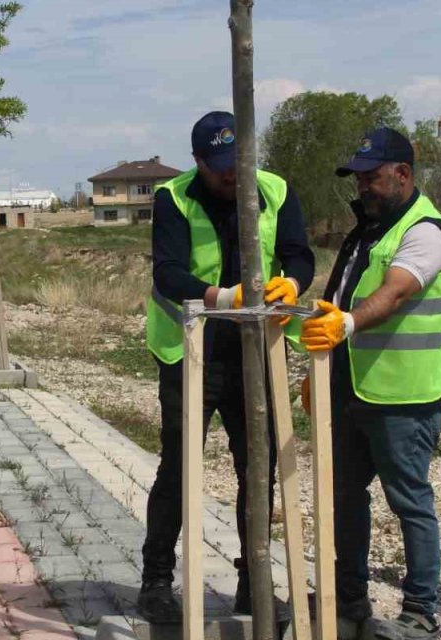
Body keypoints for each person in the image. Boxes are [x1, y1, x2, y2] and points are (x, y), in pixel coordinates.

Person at [138, 110, 316, 624]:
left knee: (256, 467)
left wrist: (294, 283)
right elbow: (168, 273)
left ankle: (252, 584)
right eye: (219, 167)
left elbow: (298, 253)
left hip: (256, 349)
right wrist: (221, 297)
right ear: (198, 162)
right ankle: (155, 582)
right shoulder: (173, 197)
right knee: (179, 464)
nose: (232, 175)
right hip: (192, 347)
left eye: (238, 161)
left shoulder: (276, 191)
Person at [300, 127, 441, 640]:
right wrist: (315, 370)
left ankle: (420, 610)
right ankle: (350, 600)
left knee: (409, 499)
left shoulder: (426, 230)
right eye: (359, 179)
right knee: (346, 495)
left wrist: (347, 325)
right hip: (352, 386)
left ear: (403, 174)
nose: (363, 187)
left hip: (406, 394)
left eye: (372, 177)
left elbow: (394, 294)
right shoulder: (365, 231)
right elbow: (337, 299)